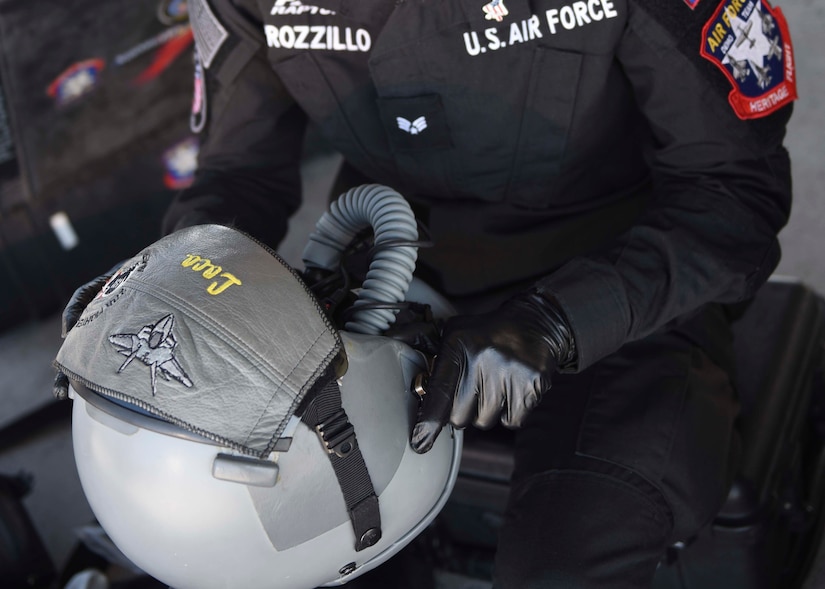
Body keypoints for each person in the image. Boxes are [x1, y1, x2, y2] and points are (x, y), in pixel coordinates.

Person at [58, 0, 797, 587]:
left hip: (622, 292)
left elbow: (733, 197)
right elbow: (235, 179)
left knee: (562, 568)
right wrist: (177, 294)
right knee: (271, 552)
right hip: (383, 283)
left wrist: (558, 321)